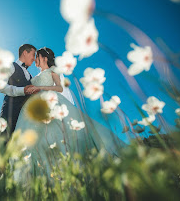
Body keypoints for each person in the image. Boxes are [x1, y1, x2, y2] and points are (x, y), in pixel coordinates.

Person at [14, 47, 126, 178]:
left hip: (52, 103)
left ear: (44, 58)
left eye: (37, 57)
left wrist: (39, 88)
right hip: (35, 107)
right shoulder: (34, 77)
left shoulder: (53, 71)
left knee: (57, 135)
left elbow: (59, 87)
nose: (35, 60)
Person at [0, 44, 40, 141]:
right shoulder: (10, 66)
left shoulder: (31, 76)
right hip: (9, 113)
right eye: (33, 55)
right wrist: (22, 90)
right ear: (25, 52)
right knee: (4, 142)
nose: (34, 59)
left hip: (25, 118)